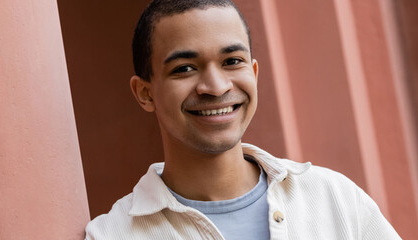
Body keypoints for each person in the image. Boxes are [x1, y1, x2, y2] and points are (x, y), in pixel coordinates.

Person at [85, 0, 401, 239]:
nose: (217, 86)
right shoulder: (112, 235)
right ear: (145, 93)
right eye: (184, 68)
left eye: (232, 61)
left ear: (253, 72)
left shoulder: (333, 198)